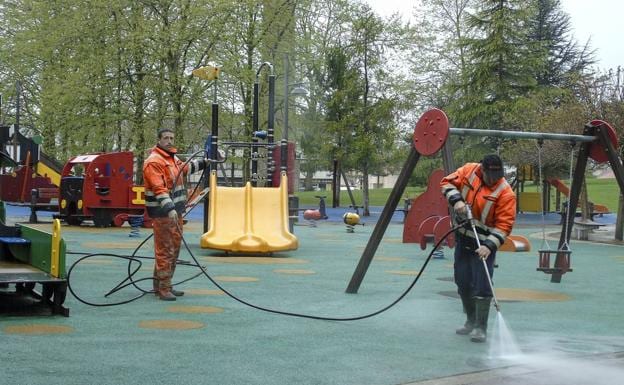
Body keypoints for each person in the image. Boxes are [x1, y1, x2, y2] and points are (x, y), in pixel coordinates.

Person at [440, 154, 516, 342]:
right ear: (482, 169)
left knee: (482, 285)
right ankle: (470, 321)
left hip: (484, 245)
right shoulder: (468, 171)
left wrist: (489, 245)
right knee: (462, 281)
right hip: (463, 238)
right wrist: (456, 200)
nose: (494, 179)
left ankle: (481, 328)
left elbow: (505, 225)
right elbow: (446, 183)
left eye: (498, 174)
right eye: (491, 174)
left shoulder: (505, 193)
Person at [143, 128, 206, 301]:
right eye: (166, 138)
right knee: (165, 250)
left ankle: (164, 284)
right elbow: (158, 188)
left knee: (174, 248)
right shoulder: (154, 161)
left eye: (171, 137)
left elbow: (185, 169)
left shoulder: (171, 158)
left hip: (175, 212)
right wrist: (169, 207)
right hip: (164, 213)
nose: (169, 140)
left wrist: (206, 162)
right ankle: (163, 288)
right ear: (159, 140)